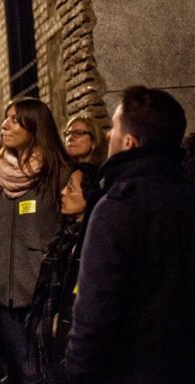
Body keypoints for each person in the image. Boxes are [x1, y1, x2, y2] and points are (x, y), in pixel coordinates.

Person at [66, 86, 195, 384]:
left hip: (131, 368)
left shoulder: (116, 207)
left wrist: (77, 370)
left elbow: (95, 309)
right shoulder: (187, 196)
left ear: (129, 142)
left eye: (113, 128)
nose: (107, 135)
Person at [0, 97, 70, 384]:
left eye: (14, 119)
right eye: (5, 118)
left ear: (35, 126)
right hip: (4, 293)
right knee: (20, 371)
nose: (4, 125)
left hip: (41, 293)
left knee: (40, 373)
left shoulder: (57, 173)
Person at [26, 162, 97, 384]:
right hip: (51, 339)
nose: (63, 192)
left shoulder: (91, 245)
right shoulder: (64, 239)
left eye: (71, 188)